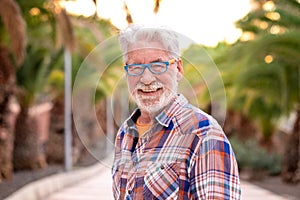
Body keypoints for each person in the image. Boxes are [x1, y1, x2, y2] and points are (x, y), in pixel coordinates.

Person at [112, 23, 241, 200]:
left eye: (158, 65)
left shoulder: (204, 133)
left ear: (178, 69)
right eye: (135, 67)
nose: (147, 79)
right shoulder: (125, 134)